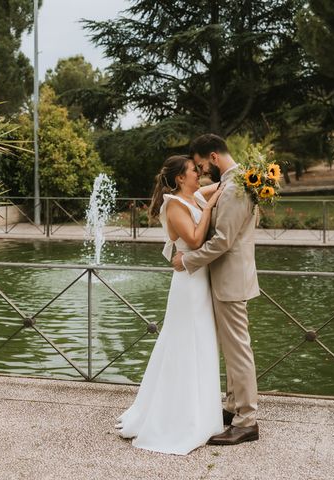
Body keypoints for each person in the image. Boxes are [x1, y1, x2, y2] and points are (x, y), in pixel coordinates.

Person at [115, 155, 224, 455]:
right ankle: (178, 417)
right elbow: (194, 239)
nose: (199, 173)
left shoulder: (196, 196)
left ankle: (204, 411)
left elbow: (224, 184)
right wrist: (211, 207)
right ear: (179, 177)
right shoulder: (174, 204)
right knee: (184, 343)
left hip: (201, 280)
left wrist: (250, 178)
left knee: (202, 342)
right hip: (188, 284)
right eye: (193, 170)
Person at [172, 133, 260, 446]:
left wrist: (188, 260)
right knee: (233, 347)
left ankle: (247, 420)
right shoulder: (234, 182)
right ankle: (233, 406)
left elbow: (223, 239)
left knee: (238, 350)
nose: (201, 171)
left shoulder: (236, 186)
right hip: (229, 277)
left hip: (231, 278)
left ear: (212, 156)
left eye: (200, 165)